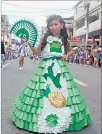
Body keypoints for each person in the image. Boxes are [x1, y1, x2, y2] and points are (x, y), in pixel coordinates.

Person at [11, 15, 91, 133]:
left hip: (60, 68)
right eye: (51, 25)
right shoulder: (45, 38)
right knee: (40, 90)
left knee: (63, 88)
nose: (53, 27)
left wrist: (67, 55)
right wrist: (30, 45)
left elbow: (72, 50)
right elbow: (38, 53)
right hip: (45, 67)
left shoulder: (64, 39)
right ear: (48, 27)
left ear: (61, 25)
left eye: (56, 24)